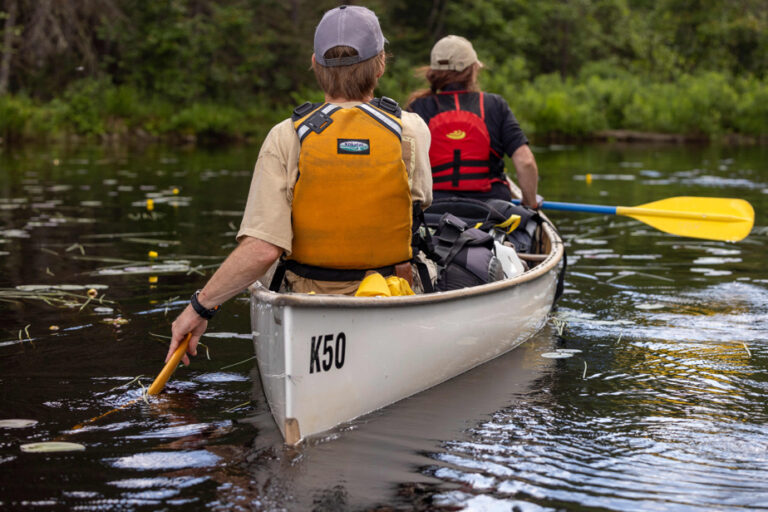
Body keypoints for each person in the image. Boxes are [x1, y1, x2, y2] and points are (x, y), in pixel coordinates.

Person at [165, 5, 432, 366]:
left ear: (315, 64)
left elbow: (263, 249)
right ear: (381, 65)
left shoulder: (286, 136)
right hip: (391, 293)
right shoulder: (412, 130)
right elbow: (418, 205)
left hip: (307, 301)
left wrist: (199, 308)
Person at [407, 35, 540, 208]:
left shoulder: (417, 108)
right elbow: (525, 161)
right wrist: (531, 205)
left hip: (434, 209)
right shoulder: (494, 105)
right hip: (491, 211)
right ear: (472, 69)